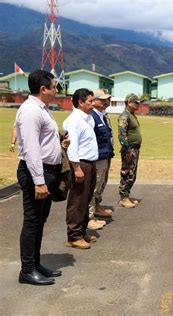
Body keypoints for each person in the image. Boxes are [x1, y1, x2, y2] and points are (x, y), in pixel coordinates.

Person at [15, 70, 66, 285]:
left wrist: (60, 145)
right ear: (43, 89)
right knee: (32, 221)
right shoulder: (30, 111)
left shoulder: (43, 109)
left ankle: (35, 264)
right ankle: (27, 270)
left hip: (48, 171)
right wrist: (39, 181)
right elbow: (31, 149)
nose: (57, 90)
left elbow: (44, 141)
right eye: (54, 86)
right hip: (37, 172)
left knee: (40, 221)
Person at [63, 88, 99, 249]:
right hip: (81, 163)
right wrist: (76, 168)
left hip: (90, 163)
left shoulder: (87, 118)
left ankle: (82, 231)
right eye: (90, 101)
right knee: (77, 200)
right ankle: (74, 236)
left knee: (86, 198)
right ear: (80, 102)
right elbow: (72, 146)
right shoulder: (75, 120)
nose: (93, 104)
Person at [88, 89, 114, 229]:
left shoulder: (102, 116)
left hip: (105, 155)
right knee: (92, 186)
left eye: (107, 100)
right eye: (103, 100)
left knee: (100, 184)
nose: (106, 102)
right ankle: (89, 216)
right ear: (94, 101)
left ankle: (96, 208)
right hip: (96, 157)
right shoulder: (91, 116)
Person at [118, 93, 142, 208]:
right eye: (135, 102)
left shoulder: (132, 115)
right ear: (129, 103)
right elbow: (122, 134)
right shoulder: (125, 116)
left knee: (132, 174)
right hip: (129, 149)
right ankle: (123, 198)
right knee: (127, 173)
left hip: (135, 149)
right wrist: (127, 150)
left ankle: (126, 195)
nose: (138, 104)